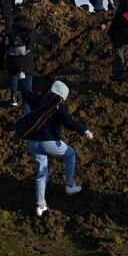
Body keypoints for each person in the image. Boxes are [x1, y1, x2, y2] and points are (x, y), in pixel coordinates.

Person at [22, 81, 94, 217]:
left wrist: (21, 78)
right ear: (62, 95)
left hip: (33, 143)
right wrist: (84, 131)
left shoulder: (38, 99)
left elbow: (26, 93)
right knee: (70, 154)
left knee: (41, 174)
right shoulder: (58, 106)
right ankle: (69, 185)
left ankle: (40, 205)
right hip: (49, 142)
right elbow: (68, 122)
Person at [0, 17, 54, 107]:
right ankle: (26, 113)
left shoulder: (8, 35)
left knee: (14, 74)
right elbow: (46, 42)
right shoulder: (31, 33)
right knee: (28, 91)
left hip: (13, 65)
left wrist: (1, 67)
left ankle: (13, 98)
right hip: (27, 66)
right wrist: (50, 46)